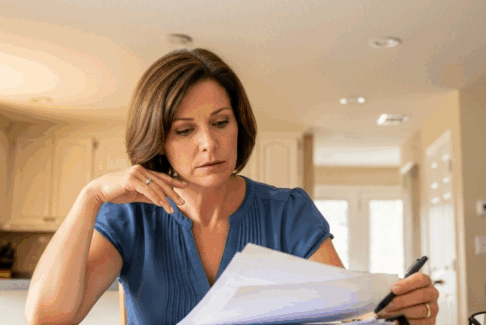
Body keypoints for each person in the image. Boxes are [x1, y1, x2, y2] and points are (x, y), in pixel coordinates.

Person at [25, 48, 440, 325]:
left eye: (221, 122)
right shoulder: (130, 218)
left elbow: (346, 319)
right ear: (158, 142)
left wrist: (403, 313)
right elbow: (46, 319)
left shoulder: (288, 213)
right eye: (185, 131)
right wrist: (90, 197)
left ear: (238, 124)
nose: (210, 142)